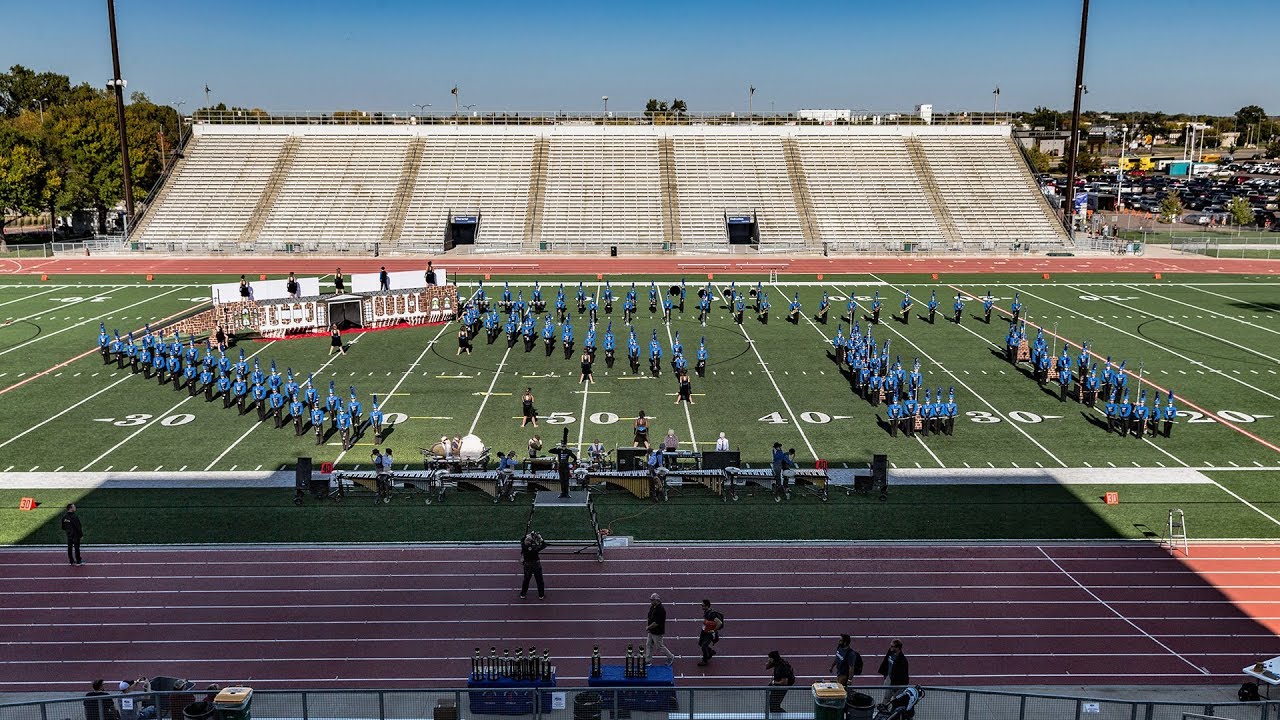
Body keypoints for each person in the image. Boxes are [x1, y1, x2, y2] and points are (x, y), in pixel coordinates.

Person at [645, 593, 676, 665]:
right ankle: (648, 660)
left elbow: (656, 623)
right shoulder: (653, 606)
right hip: (651, 630)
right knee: (648, 644)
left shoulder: (661, 610)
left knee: (659, 647)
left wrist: (648, 627)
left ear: (657, 600)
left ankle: (670, 656)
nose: (651, 601)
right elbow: (649, 616)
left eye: (652, 600)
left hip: (657, 632)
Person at [519, 530, 548, 600]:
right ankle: (541, 595)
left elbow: (522, 539)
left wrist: (528, 536)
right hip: (536, 565)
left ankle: (523, 594)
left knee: (526, 580)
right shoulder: (535, 548)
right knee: (539, 580)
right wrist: (540, 538)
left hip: (527, 565)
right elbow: (544, 545)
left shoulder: (524, 546)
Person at [697, 598, 724, 667]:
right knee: (700, 643)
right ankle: (710, 652)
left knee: (704, 646)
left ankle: (705, 660)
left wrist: (713, 630)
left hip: (709, 633)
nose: (702, 607)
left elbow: (719, 623)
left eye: (703, 606)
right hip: (705, 630)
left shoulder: (712, 614)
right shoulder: (706, 612)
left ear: (707, 606)